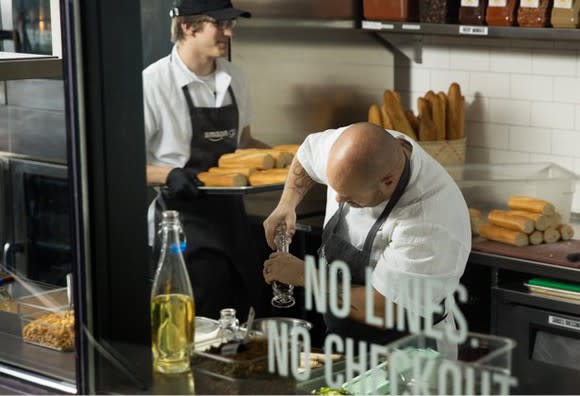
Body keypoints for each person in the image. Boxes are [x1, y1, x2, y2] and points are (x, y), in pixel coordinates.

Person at [262, 122, 471, 357]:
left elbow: (383, 310)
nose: (338, 199)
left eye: (350, 198)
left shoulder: (430, 219)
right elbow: (308, 155)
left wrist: (303, 275)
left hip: (411, 355)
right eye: (335, 188)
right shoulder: (353, 149)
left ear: (388, 182)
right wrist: (286, 204)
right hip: (346, 343)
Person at [143, 0, 269, 320]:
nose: (229, 32)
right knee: (198, 320)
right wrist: (170, 174)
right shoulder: (153, 83)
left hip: (233, 220)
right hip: (181, 223)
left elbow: (245, 143)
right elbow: (122, 166)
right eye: (220, 24)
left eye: (232, 24)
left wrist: (292, 159)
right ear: (188, 26)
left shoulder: (234, 78)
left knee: (245, 314)